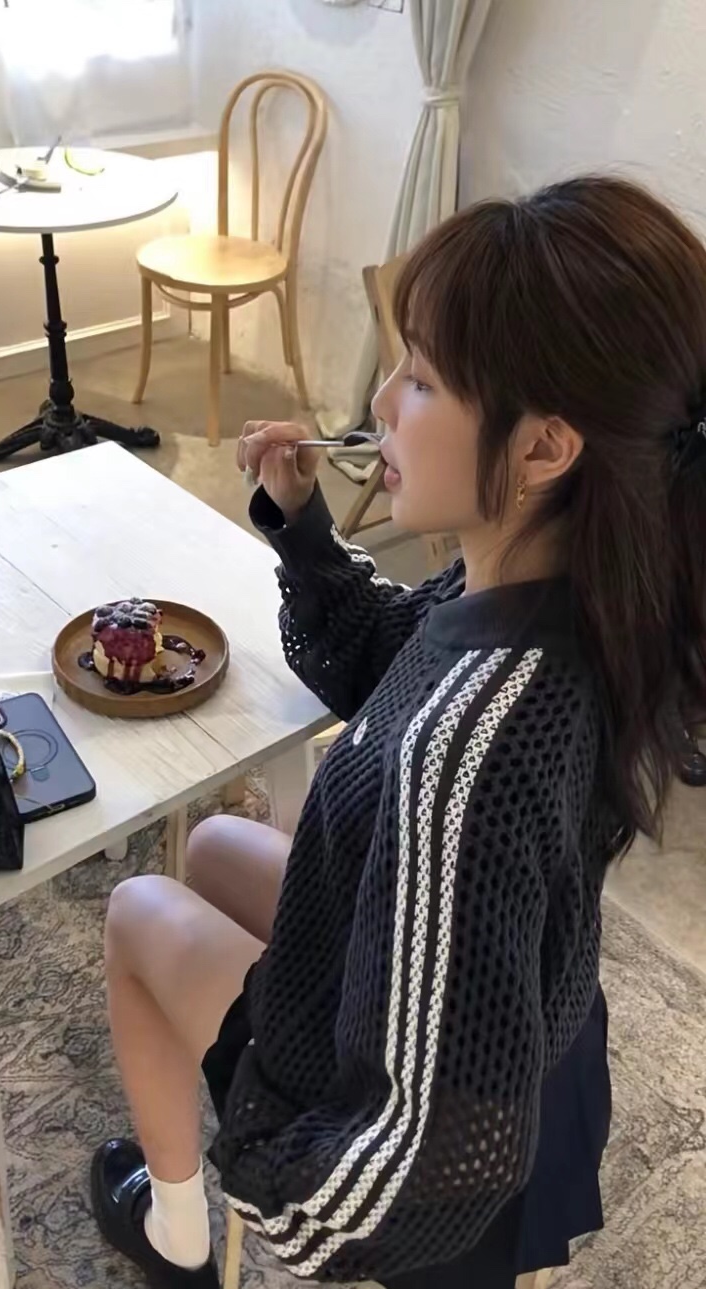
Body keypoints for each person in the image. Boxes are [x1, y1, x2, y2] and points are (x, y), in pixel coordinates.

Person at [90, 176, 706, 1289]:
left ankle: (178, 1236)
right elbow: (387, 655)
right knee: (214, 845)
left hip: (447, 1152)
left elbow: (408, 1169)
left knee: (139, 906)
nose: (379, 400)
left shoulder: (469, 758)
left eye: (420, 377)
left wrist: (277, 1166)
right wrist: (302, 526)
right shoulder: (581, 592)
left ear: (542, 449)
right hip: (535, 1023)